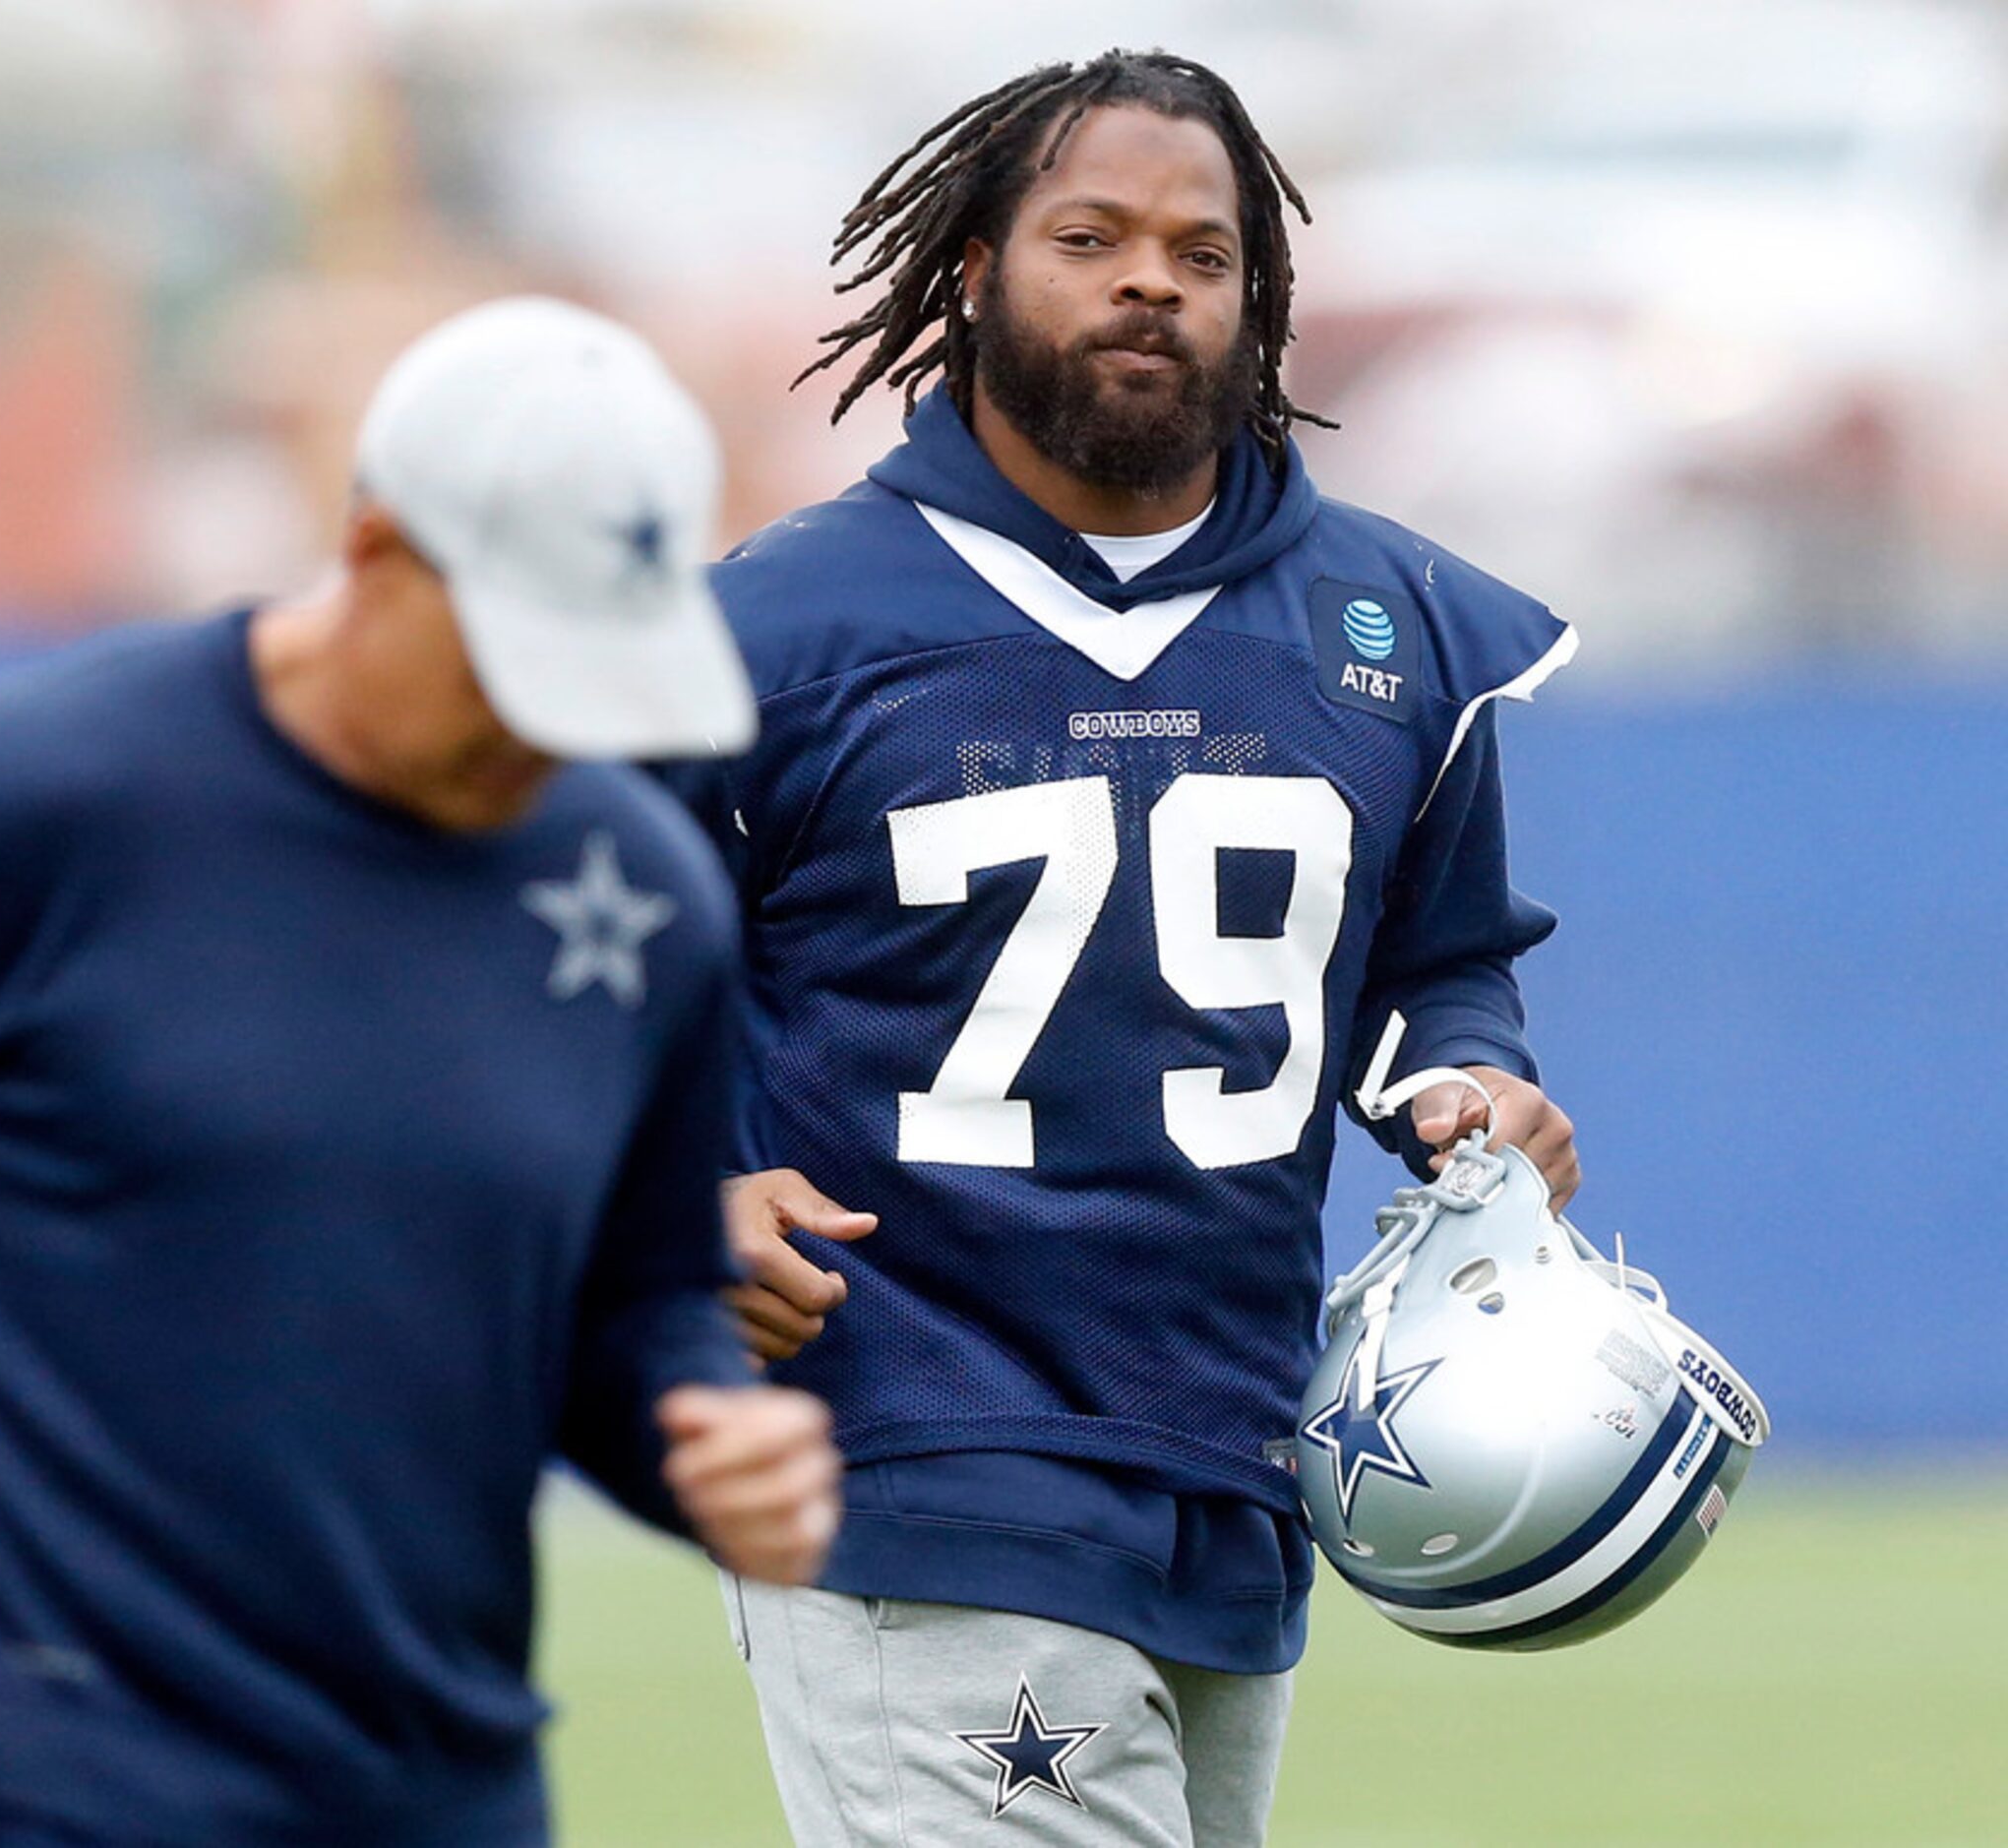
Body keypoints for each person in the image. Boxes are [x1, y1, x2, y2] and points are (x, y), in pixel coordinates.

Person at [0, 296, 842, 1848]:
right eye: (523, 660)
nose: (557, 728)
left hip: (441, 1787)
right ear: (379, 551)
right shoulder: (4, 802)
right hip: (45, 1780)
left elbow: (630, 1301)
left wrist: (702, 1427)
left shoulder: (641, 893)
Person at [655, 51, 1584, 1847]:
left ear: (1261, 301)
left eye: (1203, 251)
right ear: (979, 269)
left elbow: (1431, 968)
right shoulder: (774, 630)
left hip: (1226, 1459)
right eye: (1090, 237)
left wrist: (1482, 1090)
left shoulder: (1386, 628)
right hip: (915, 1444)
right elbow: (567, 980)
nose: (1153, 278)